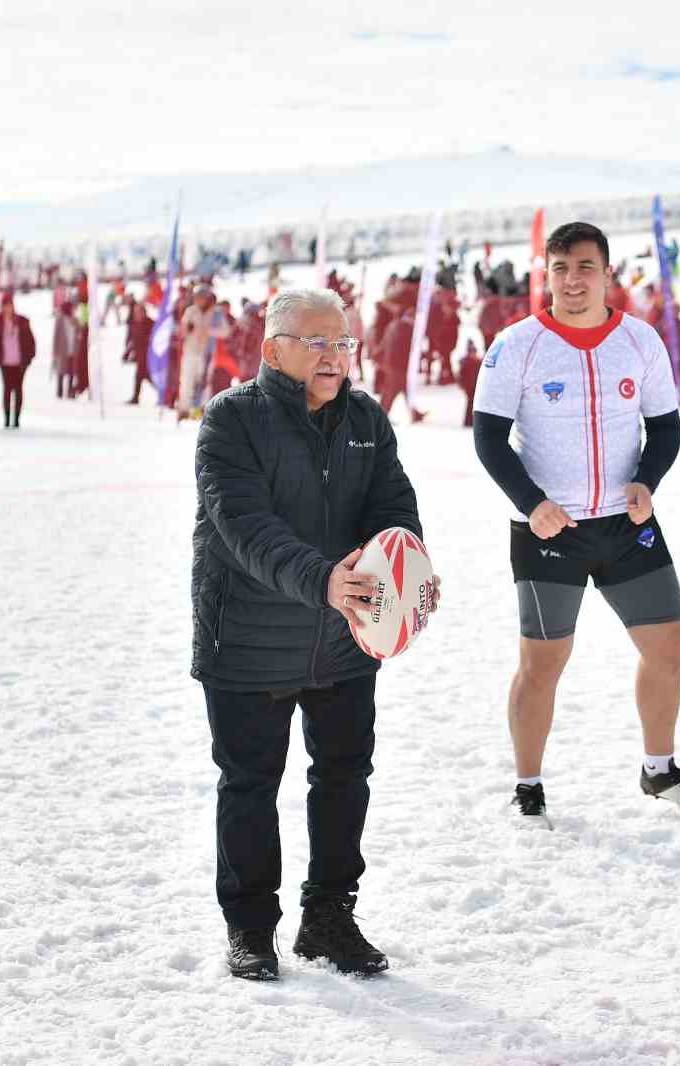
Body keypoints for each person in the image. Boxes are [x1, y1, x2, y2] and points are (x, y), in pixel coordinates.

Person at [192, 287, 433, 982]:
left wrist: (407, 570)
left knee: (344, 776)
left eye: (344, 342)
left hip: (343, 643)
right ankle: (250, 928)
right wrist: (324, 578)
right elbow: (245, 528)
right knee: (249, 784)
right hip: (246, 642)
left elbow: (393, 506)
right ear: (273, 350)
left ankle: (328, 917)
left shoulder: (365, 419)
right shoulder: (231, 421)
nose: (336, 356)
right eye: (318, 342)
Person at [471, 221, 680, 825]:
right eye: (559, 269)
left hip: (627, 526)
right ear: (546, 275)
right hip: (548, 532)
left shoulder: (640, 341)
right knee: (543, 664)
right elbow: (488, 437)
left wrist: (647, 482)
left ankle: (659, 770)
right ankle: (528, 786)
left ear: (607, 273)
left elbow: (664, 427)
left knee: (669, 649)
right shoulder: (518, 344)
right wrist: (533, 503)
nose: (572, 280)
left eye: (584, 267)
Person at [0, 293, 36, 429]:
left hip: (19, 361)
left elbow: (30, 340)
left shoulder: (22, 321)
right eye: (5, 306)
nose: (7, 308)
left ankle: (16, 418)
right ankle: (6, 417)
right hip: (5, 361)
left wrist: (29, 356)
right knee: (7, 389)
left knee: (18, 389)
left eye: (9, 305)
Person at [178, 286, 221, 416]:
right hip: (190, 350)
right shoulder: (190, 311)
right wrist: (188, 329)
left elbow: (226, 331)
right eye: (196, 297)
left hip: (206, 352)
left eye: (201, 298)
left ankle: (203, 407)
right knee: (186, 379)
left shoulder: (215, 313)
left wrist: (209, 331)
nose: (198, 300)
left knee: (205, 380)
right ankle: (184, 408)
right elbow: (183, 330)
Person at [124, 301, 155, 403]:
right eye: (135, 312)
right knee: (139, 376)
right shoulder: (134, 325)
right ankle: (135, 397)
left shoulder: (150, 323)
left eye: (139, 312)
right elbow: (132, 341)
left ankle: (165, 396)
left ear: (144, 312)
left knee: (150, 377)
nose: (136, 314)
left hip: (149, 357)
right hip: (140, 356)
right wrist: (127, 353)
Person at [52, 299, 78, 399]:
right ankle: (60, 392)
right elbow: (56, 336)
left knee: (72, 372)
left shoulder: (75, 320)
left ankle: (70, 391)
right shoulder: (60, 320)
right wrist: (54, 351)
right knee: (61, 372)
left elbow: (79, 332)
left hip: (73, 349)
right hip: (62, 350)